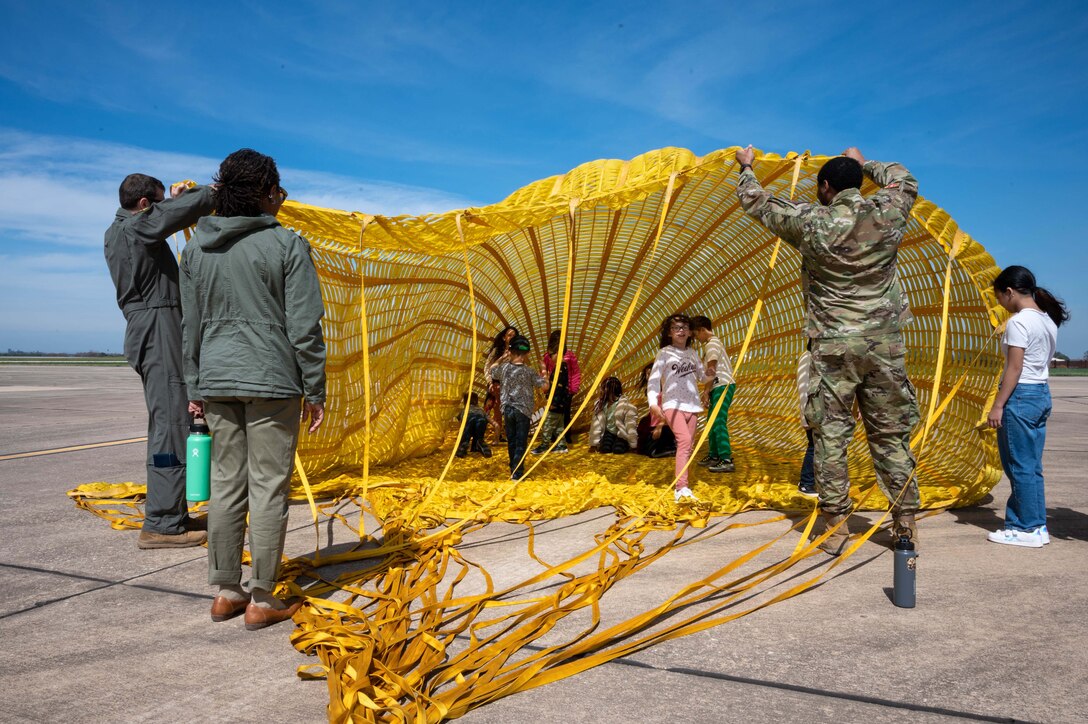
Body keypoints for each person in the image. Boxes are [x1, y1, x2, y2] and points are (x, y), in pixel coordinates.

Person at [736, 145, 920, 554]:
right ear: (856, 180)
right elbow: (904, 177)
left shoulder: (811, 220)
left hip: (834, 345)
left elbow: (757, 201)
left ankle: (836, 524)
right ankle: (905, 521)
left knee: (831, 436)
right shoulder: (886, 210)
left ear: (824, 187)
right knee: (891, 436)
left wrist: (747, 168)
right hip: (884, 345)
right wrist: (864, 161)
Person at [180, 149, 326, 629]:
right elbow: (304, 326)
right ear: (266, 192)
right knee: (268, 487)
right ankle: (263, 596)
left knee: (225, 484)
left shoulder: (196, 250)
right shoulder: (286, 245)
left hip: (217, 378)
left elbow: (191, 326)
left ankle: (225, 590)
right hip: (272, 380)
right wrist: (315, 387)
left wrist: (194, 382)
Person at [104, 173, 216, 549]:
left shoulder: (121, 229)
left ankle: (173, 512)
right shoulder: (136, 228)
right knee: (170, 422)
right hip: (157, 326)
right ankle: (163, 525)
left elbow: (166, 217)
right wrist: (206, 192)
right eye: (157, 201)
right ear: (143, 205)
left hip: (154, 324)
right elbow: (183, 211)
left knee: (173, 420)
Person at [985, 266, 1068, 548]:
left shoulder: (1019, 323)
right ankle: (1037, 525)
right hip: (1041, 394)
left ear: (1009, 292)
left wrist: (998, 405)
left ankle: (1025, 527)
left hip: (1020, 396)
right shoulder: (1047, 320)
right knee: (1031, 466)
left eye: (999, 298)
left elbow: (1015, 368)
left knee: (1018, 466)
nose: (1000, 304)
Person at [647, 313, 705, 503]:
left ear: (690, 332)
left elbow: (702, 377)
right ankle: (681, 488)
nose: (681, 331)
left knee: (688, 446)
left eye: (684, 328)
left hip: (693, 405)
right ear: (669, 333)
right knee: (685, 441)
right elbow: (654, 380)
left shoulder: (692, 353)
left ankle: (684, 485)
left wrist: (715, 372)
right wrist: (653, 403)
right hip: (672, 405)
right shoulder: (664, 353)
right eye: (676, 328)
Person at [491, 335, 546, 480]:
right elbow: (545, 386)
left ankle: (513, 468)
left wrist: (502, 357)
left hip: (507, 409)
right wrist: (544, 370)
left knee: (512, 440)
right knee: (521, 441)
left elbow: (492, 369)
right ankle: (517, 472)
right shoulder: (529, 371)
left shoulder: (503, 369)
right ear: (527, 354)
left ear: (510, 351)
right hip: (523, 411)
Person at [691, 315, 737, 473]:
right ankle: (714, 455)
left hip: (722, 385)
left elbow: (712, 369)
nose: (697, 338)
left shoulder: (711, 345)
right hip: (718, 386)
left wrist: (706, 391)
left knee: (718, 421)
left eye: (696, 334)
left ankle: (726, 458)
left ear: (703, 330)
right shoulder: (712, 344)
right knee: (712, 421)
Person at [542, 330, 582, 442]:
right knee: (553, 413)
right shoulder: (548, 356)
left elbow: (575, 372)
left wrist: (574, 388)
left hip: (566, 390)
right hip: (552, 389)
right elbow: (544, 371)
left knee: (565, 413)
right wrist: (545, 386)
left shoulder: (569, 355)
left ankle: (565, 436)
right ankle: (554, 436)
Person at [484, 326, 520, 440]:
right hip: (495, 384)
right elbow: (487, 367)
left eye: (514, 336)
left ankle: (509, 434)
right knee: (494, 409)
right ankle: (495, 435)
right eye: (509, 335)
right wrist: (490, 382)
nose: (512, 337)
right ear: (504, 338)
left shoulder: (517, 352)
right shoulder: (497, 351)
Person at [589, 377, 639, 454]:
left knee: (618, 450)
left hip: (621, 433)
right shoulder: (600, 405)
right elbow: (596, 426)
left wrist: (633, 445)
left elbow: (631, 425)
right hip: (609, 433)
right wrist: (594, 445)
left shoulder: (626, 406)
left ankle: (622, 444)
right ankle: (610, 443)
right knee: (605, 449)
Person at [637, 362, 677, 457]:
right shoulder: (651, 390)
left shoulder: (666, 390)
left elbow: (669, 411)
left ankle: (672, 449)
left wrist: (660, 426)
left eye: (650, 373)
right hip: (654, 424)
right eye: (646, 374)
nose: (648, 376)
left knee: (652, 453)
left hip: (665, 425)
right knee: (642, 449)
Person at [532, 361, 571, 454]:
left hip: (556, 403)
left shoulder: (560, 369)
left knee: (547, 425)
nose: (550, 357)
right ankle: (562, 445)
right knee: (559, 426)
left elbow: (559, 388)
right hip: (561, 404)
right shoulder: (562, 367)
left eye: (551, 354)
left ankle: (545, 445)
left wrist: (554, 402)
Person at [455, 393, 493, 458]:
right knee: (479, 436)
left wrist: (460, 435)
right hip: (481, 421)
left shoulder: (465, 410)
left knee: (466, 436)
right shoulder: (481, 409)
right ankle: (478, 445)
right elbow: (487, 419)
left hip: (469, 420)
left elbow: (461, 423)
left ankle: (463, 446)